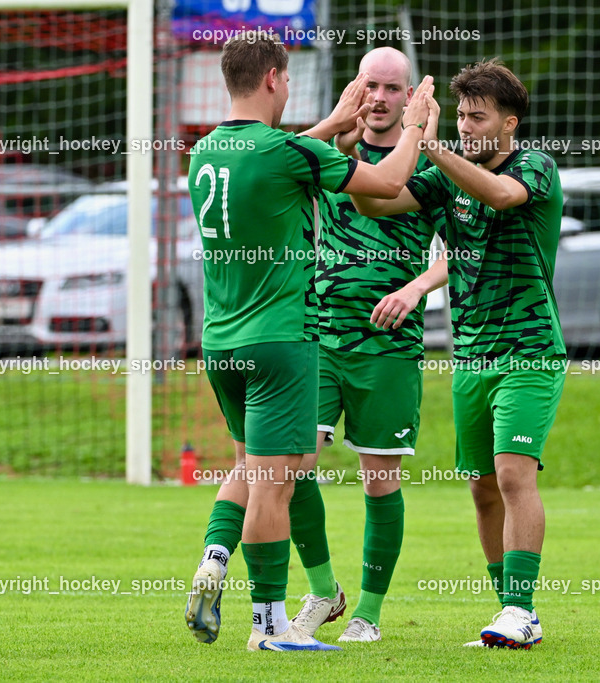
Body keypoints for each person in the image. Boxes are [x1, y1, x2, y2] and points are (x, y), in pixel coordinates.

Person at [183, 30, 433, 652]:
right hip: (285, 340)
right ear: (273, 79)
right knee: (276, 481)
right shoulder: (290, 152)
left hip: (220, 340)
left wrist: (330, 126)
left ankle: (216, 555)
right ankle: (270, 626)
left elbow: (276, 158)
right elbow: (386, 183)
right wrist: (416, 130)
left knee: (256, 467)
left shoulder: (207, 151)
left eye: (391, 88)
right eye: (288, 78)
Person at [353, 58, 566, 649]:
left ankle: (522, 610)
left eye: (479, 118)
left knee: (513, 472)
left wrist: (430, 143)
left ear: (509, 123)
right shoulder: (446, 177)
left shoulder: (534, 166)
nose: (468, 127)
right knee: (481, 488)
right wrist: (353, 138)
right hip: (470, 356)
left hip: (529, 351)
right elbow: (377, 202)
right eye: (462, 116)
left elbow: (499, 195)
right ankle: (508, 611)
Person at [283, 46, 445, 644]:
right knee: (292, 466)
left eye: (391, 88)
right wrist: (332, 126)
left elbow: (466, 247)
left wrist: (416, 285)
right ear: (355, 88)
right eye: (369, 85)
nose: (378, 98)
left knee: (380, 480)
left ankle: (368, 615)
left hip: (388, 348)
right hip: (319, 337)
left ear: (410, 97)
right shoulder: (325, 153)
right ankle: (323, 591)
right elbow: (272, 164)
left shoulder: (430, 163)